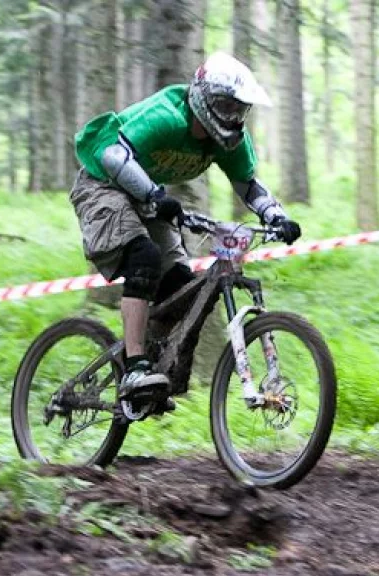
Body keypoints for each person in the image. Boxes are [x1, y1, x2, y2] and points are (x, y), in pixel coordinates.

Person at [71, 52, 302, 401]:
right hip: (103, 186)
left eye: (239, 110)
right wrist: (154, 194)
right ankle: (134, 367)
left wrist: (276, 216)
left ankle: (155, 367)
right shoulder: (166, 116)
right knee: (144, 257)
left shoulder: (230, 142)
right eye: (225, 106)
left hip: (148, 199)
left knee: (181, 287)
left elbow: (249, 185)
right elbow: (112, 156)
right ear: (204, 98)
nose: (232, 117)